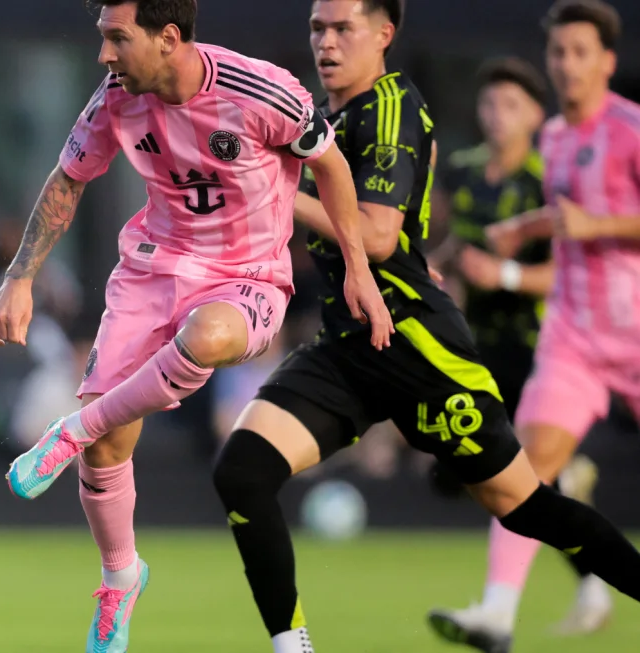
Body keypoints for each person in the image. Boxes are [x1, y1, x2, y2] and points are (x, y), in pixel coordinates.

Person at [204, 1, 640, 652]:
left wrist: (269, 182)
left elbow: (378, 236)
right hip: (349, 344)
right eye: (316, 28)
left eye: (342, 28)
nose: (325, 42)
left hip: (415, 345)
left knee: (524, 505)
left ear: (384, 34)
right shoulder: (325, 120)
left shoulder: (388, 104)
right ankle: (290, 646)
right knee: (241, 469)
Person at [0, 0, 393, 650]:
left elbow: (332, 167)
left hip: (246, 277)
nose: (104, 55)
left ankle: (69, 427)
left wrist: (357, 270)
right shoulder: (117, 94)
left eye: (116, 39)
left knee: (204, 340)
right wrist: (19, 276)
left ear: (167, 37)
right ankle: (120, 578)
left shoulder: (261, 91)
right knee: (109, 448)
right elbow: (67, 179)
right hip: (152, 268)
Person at [430, 1, 639, 650]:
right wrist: (524, 229)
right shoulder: (551, 137)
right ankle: (495, 613)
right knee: (519, 467)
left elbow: (591, 219)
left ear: (605, 60)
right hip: (571, 338)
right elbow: (561, 212)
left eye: (579, 51)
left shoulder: (630, 129)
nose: (566, 64)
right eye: (557, 52)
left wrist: (596, 228)